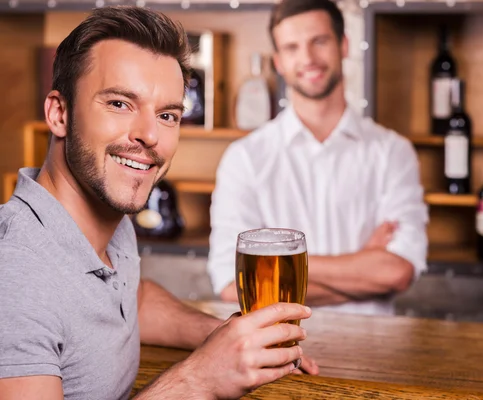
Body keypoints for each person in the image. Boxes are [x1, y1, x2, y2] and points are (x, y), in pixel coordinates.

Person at [0, 6, 318, 400]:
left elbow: (130, 298)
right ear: (59, 113)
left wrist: (223, 338)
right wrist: (198, 379)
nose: (150, 135)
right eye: (119, 104)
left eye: (167, 115)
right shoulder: (16, 273)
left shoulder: (106, 220)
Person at [208, 0, 429, 316]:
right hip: (276, 350)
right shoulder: (244, 158)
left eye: (319, 41)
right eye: (292, 47)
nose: (307, 58)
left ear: (344, 45)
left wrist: (276, 267)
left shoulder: (393, 152)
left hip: (376, 350)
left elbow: (397, 272)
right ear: (279, 62)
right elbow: (233, 286)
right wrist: (364, 263)